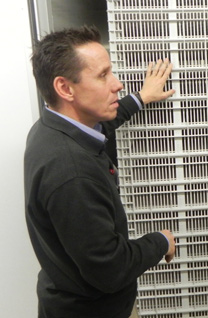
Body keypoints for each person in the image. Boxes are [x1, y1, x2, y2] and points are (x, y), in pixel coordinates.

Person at [24, 26, 176, 318]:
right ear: (65, 88)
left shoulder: (50, 128)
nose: (117, 84)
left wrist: (141, 98)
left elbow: (98, 126)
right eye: (103, 75)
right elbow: (110, 269)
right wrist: (161, 241)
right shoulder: (72, 171)